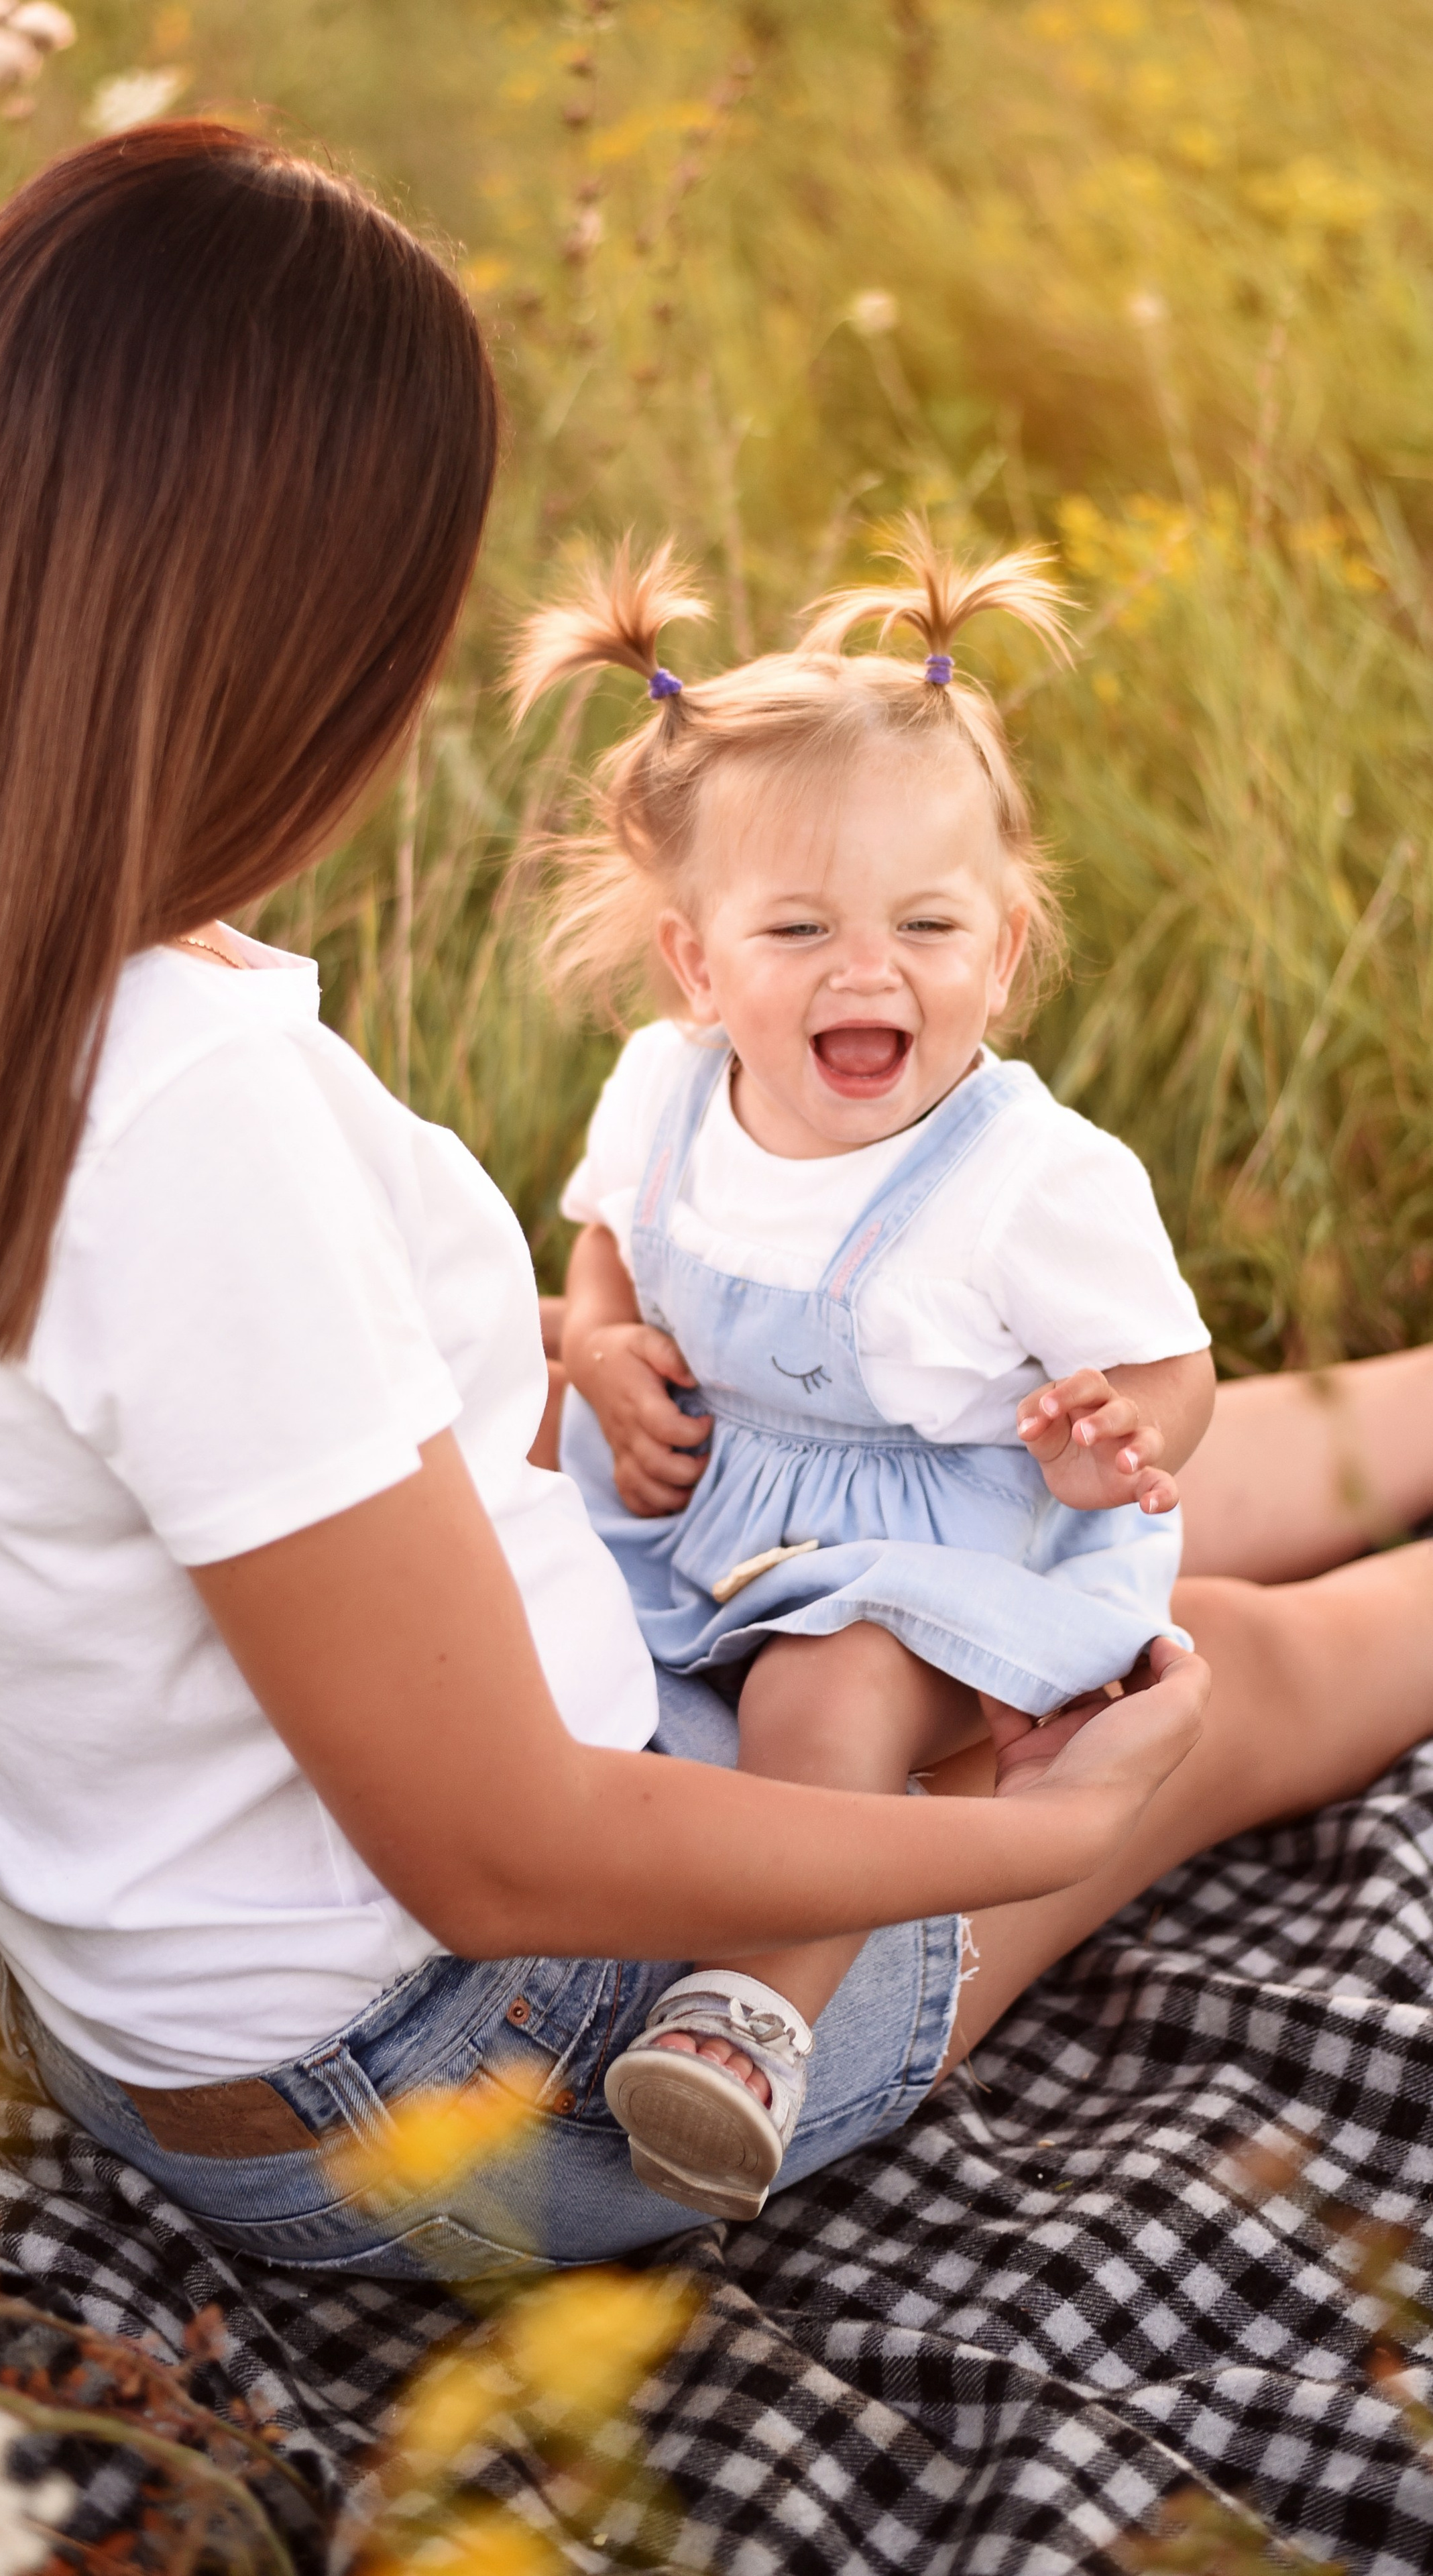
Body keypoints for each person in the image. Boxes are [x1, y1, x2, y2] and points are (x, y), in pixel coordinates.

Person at [0, 123, 1428, 2284]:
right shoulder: (180, 1122)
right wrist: (1065, 1813)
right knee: (1227, 1672)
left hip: (191, 1984)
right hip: (459, 2067)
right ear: (280, 630)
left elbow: (164, 1424)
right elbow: (502, 1852)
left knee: (971, 1458)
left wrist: (573, 1341)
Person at [517, 534, 1217, 2215]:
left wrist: (1110, 1439)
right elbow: (605, 1246)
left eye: (924, 923)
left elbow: (1170, 1369)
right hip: (703, 1494)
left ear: (1002, 939)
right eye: (797, 926)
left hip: (933, 1543)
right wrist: (601, 1345)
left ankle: (751, 2015)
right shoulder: (664, 1088)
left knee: (811, 1701)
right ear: (696, 961)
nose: (864, 969)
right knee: (547, 1603)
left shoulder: (1026, 1182)